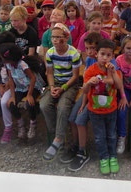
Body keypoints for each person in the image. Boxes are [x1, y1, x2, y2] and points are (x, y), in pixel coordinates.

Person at [41, 23, 81, 161]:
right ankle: (57, 136)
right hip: (56, 82)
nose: (55, 40)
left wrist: (63, 88)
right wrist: (52, 87)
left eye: (59, 37)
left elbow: (76, 76)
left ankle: (58, 139)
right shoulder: (50, 53)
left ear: (66, 37)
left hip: (70, 84)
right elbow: (50, 73)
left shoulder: (73, 53)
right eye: (53, 37)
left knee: (63, 107)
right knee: (44, 104)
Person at [83, 38, 123, 175]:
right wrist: (89, 83)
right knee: (100, 136)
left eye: (108, 55)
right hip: (95, 111)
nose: (105, 58)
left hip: (111, 109)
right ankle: (104, 158)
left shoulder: (113, 69)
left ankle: (113, 157)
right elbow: (84, 90)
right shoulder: (90, 70)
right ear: (96, 54)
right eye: (102, 54)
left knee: (111, 135)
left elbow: (118, 85)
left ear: (113, 57)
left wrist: (112, 72)